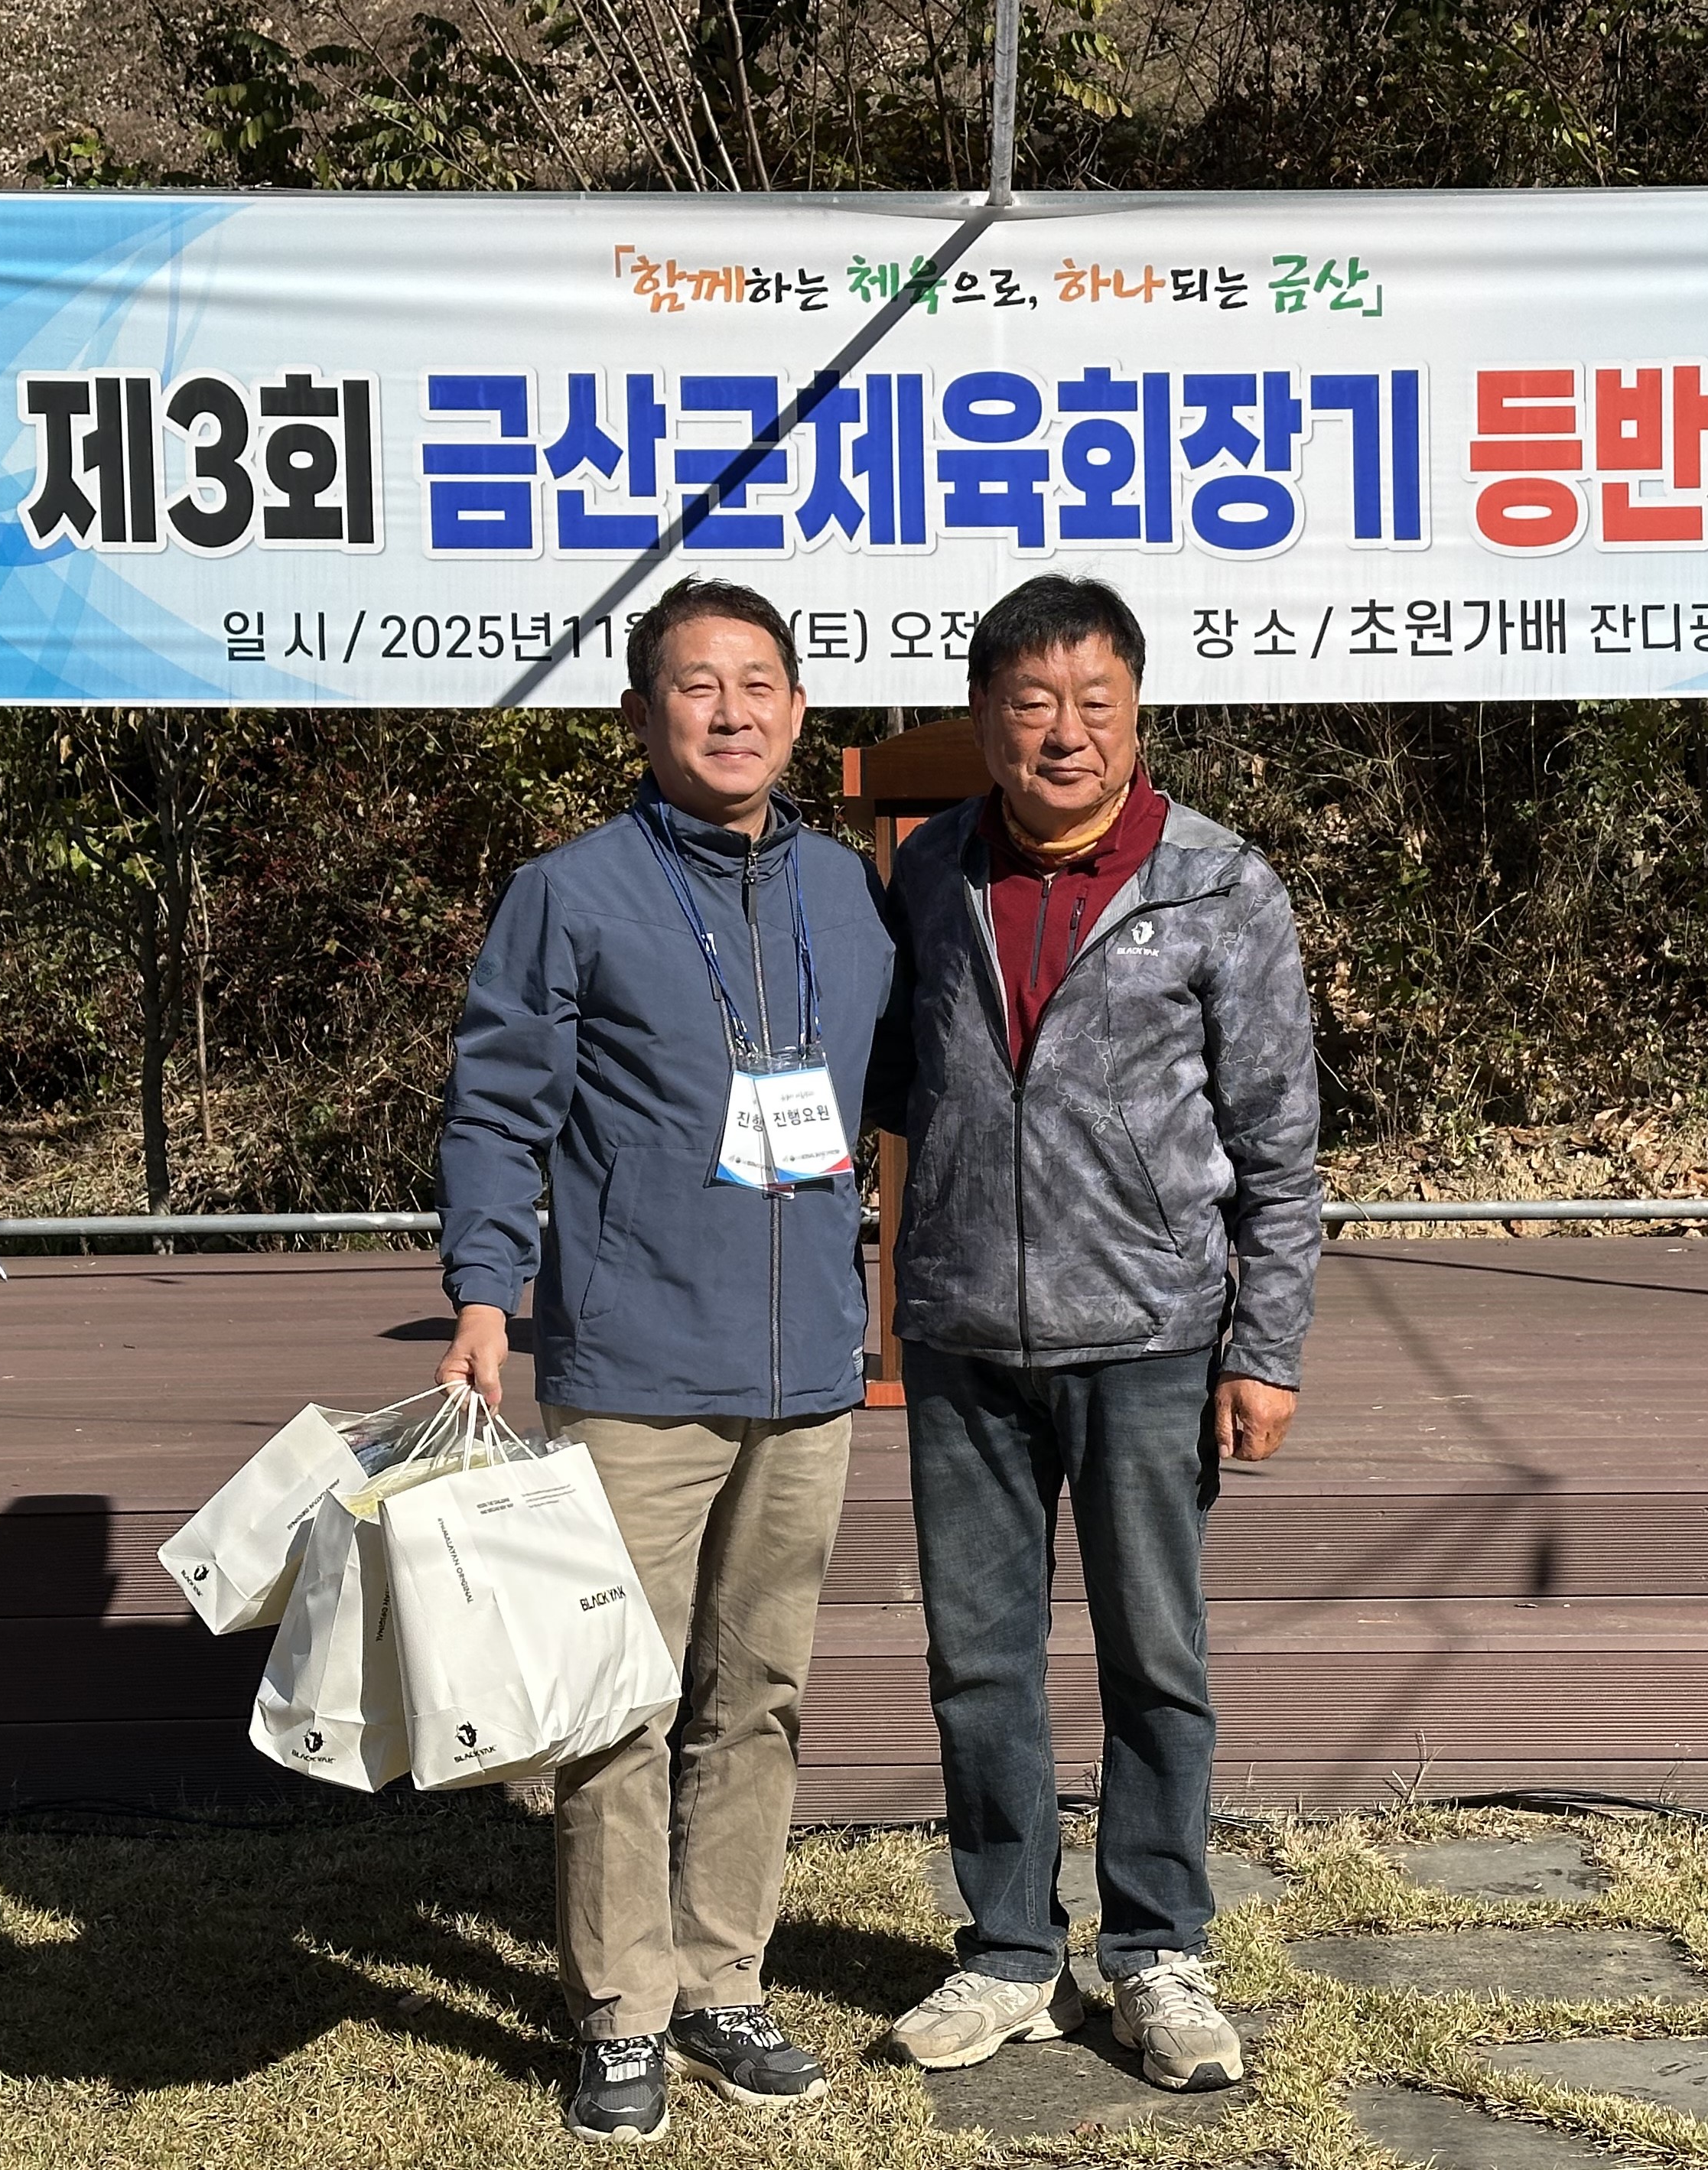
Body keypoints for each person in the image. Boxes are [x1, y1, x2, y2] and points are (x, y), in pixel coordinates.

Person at [433, 577, 898, 2146]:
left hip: (808, 1369)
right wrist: (484, 1290)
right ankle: (622, 2011)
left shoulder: (846, 891)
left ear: (798, 711)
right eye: (696, 685)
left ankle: (722, 1978)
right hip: (634, 1360)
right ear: (639, 715)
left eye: (758, 683)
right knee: (617, 1698)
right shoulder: (569, 891)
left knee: (758, 1693)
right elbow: (495, 1106)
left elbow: (906, 1086)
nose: (730, 711)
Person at [880, 574, 1320, 2093]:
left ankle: (1155, 1950)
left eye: (1094, 703)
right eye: (1031, 704)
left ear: (1136, 713)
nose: (1064, 733)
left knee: (1155, 1657)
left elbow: (1279, 1144)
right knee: (977, 1662)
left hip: (1149, 1332)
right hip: (962, 1336)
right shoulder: (930, 869)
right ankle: (1008, 1950)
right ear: (983, 719)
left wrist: (1265, 1346)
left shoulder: (1216, 883)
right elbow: (895, 1080)